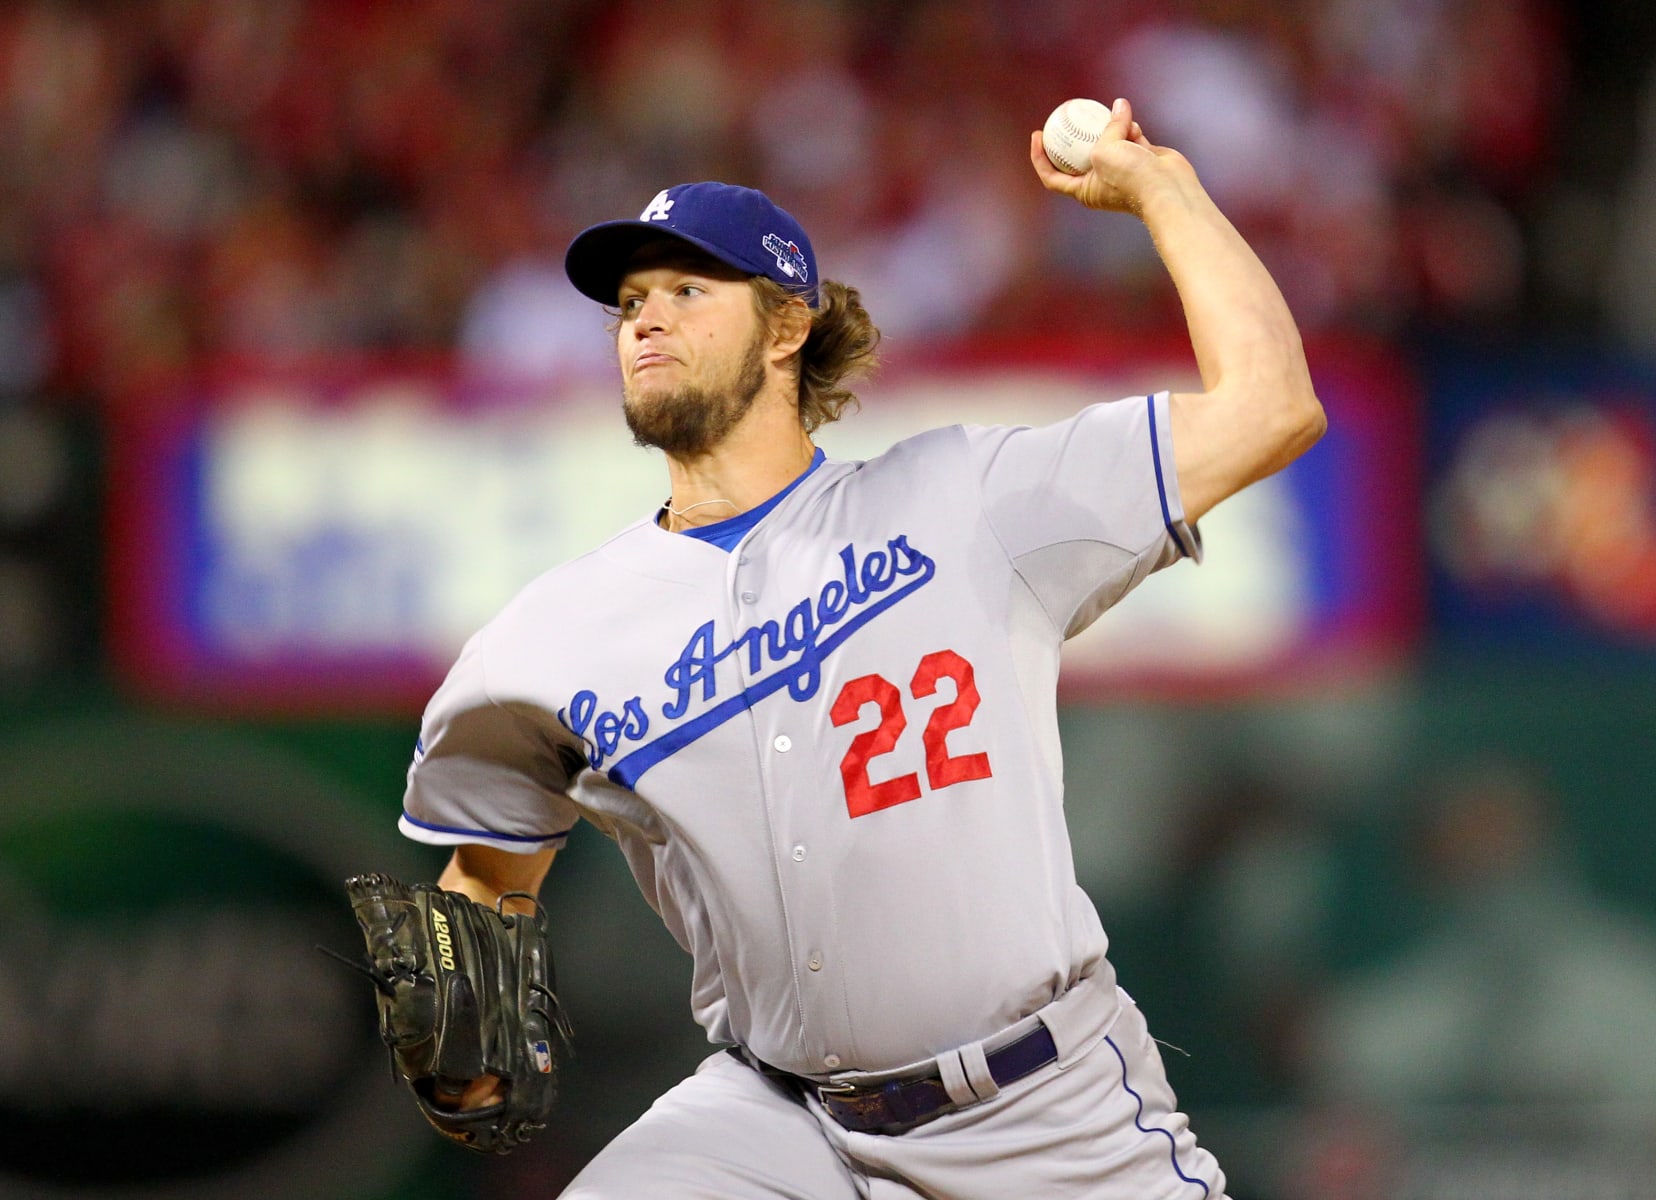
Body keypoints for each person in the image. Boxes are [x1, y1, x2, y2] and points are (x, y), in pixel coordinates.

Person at [398, 98, 1324, 1198]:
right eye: (631, 301)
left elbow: (1271, 407)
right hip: (773, 1121)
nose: (644, 320)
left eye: (689, 290)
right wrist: (466, 996)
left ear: (788, 325)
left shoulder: (966, 498)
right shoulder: (551, 636)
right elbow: (488, 865)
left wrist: (1161, 187)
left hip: (1042, 1113)